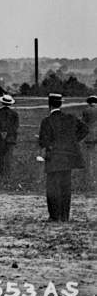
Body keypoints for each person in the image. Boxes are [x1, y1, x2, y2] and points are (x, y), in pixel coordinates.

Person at [38, 93, 89, 221]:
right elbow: (85, 129)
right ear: (61, 104)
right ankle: (65, 216)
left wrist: (48, 144)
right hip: (68, 157)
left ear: (49, 105)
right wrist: (73, 141)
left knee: (52, 188)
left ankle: (54, 216)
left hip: (54, 157)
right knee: (65, 187)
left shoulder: (47, 121)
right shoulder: (70, 118)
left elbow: (43, 141)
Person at [0, 94, 19, 182]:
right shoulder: (14, 114)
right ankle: (7, 176)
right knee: (8, 158)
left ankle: (2, 175)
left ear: (2, 102)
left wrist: (0, 133)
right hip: (10, 139)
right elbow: (15, 126)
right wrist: (8, 133)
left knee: (1, 157)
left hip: (0, 138)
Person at [81, 95, 97, 194]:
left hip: (89, 136)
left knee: (89, 158)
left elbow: (83, 122)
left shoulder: (86, 111)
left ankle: (90, 177)